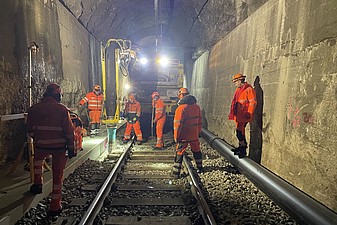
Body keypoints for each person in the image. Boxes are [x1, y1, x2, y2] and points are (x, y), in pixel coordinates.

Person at [27, 83, 75, 216]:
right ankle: (55, 206)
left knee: (37, 162)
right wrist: (71, 148)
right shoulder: (62, 109)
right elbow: (69, 131)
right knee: (57, 176)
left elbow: (30, 130)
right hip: (59, 148)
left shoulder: (33, 109)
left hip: (40, 145)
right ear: (57, 95)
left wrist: (38, 138)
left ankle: (37, 184)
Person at [172, 88, 203, 178]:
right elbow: (200, 122)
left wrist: (176, 137)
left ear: (181, 96)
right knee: (197, 151)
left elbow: (177, 125)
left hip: (183, 136)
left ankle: (175, 173)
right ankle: (200, 168)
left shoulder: (181, 108)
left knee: (180, 152)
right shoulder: (196, 107)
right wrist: (198, 132)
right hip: (194, 135)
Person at [228, 73, 257, 158]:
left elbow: (253, 102)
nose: (235, 84)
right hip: (238, 115)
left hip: (244, 115)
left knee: (240, 132)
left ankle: (243, 150)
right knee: (240, 132)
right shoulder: (239, 90)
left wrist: (249, 113)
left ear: (240, 80)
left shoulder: (248, 89)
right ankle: (241, 147)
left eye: (236, 82)